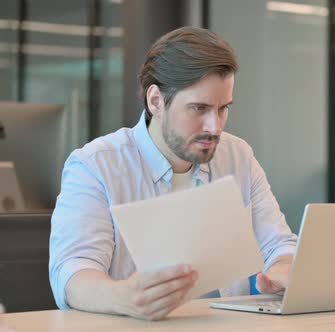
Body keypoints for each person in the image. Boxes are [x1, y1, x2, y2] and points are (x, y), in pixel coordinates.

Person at [49, 27, 297, 321]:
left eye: (222, 109)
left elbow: (279, 245)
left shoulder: (238, 155)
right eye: (198, 108)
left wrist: (284, 269)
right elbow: (72, 273)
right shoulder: (95, 165)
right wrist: (123, 298)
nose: (214, 127)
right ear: (156, 101)